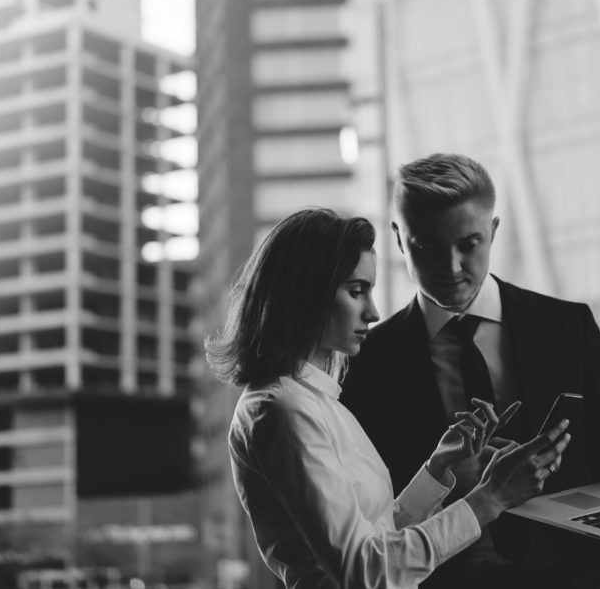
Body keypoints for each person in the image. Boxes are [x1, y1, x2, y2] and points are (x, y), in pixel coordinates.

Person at [341, 153, 600, 588]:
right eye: (428, 248)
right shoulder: (364, 362)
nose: (452, 268)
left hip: (578, 576)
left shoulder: (568, 327)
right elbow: (375, 512)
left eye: (468, 244)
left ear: (493, 231)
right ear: (399, 239)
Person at [207, 208, 571, 589]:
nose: (373, 312)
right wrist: (490, 498)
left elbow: (377, 538)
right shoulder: (283, 411)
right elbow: (367, 572)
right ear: (307, 293)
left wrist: (436, 469)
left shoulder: (317, 403)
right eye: (356, 290)